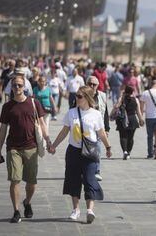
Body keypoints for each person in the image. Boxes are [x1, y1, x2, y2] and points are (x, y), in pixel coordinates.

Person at [48, 86, 112, 223]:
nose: (76, 98)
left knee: (90, 179)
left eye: (79, 96)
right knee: (73, 180)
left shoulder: (95, 114)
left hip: (90, 152)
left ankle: (90, 210)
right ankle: (76, 209)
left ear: (87, 98)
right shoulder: (71, 113)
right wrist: (54, 145)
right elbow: (64, 132)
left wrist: (108, 147)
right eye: (76, 95)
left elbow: (101, 133)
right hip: (73, 151)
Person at [0, 74, 51, 223]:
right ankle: (16, 211)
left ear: (25, 87)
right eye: (14, 85)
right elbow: (3, 129)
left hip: (31, 147)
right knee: (15, 179)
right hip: (13, 147)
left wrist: (48, 140)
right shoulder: (7, 106)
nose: (17, 88)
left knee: (32, 182)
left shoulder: (34, 103)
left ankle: (27, 202)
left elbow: (42, 123)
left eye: (20, 85)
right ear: (11, 87)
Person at [86, 76, 110, 181]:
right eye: (90, 84)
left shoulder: (102, 96)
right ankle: (85, 170)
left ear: (97, 85)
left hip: (98, 127)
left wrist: (107, 128)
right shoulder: (82, 95)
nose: (92, 86)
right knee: (84, 150)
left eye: (94, 84)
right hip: (85, 127)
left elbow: (105, 113)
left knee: (98, 149)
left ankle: (96, 171)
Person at [114, 85, 144, 159]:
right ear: (132, 91)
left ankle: (125, 151)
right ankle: (129, 152)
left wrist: (111, 115)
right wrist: (141, 119)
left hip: (122, 119)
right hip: (132, 119)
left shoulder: (122, 98)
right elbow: (138, 112)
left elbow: (116, 107)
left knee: (123, 136)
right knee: (131, 137)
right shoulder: (136, 100)